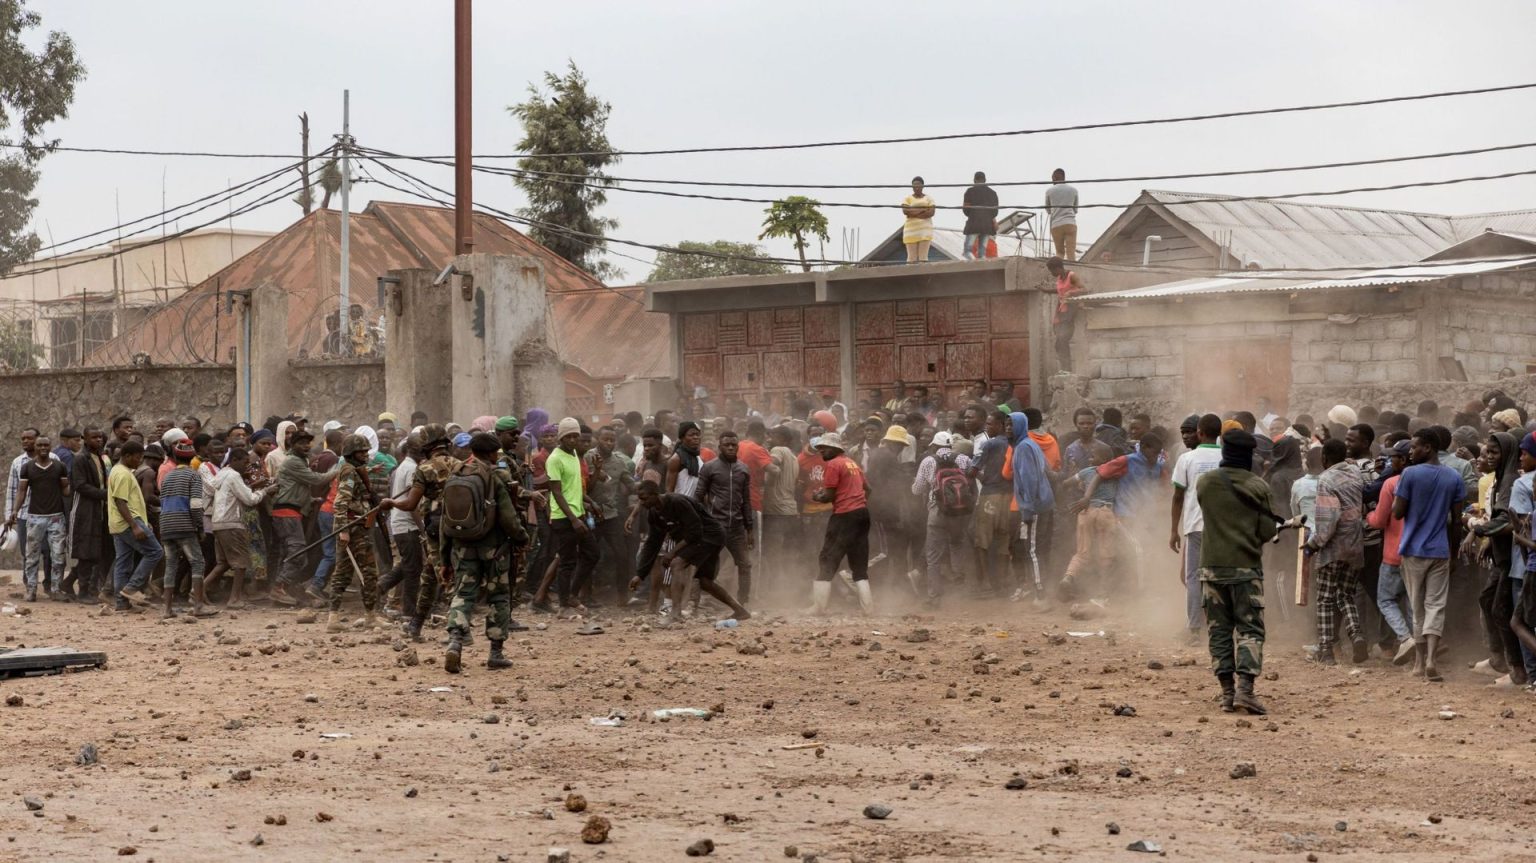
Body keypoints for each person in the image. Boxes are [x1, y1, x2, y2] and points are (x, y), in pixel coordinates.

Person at [1195, 429, 1282, 715]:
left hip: (1211, 569)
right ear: (1249, 455)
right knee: (1249, 629)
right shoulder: (1258, 486)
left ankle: (1226, 693)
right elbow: (1269, 530)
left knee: (1219, 631)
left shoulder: (1205, 484)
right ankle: (1246, 690)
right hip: (1245, 569)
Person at [430, 433, 525, 672]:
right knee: (499, 596)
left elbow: (445, 522)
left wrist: (444, 559)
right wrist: (522, 538)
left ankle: (455, 643)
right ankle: (495, 652)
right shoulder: (497, 476)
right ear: (493, 454)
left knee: (463, 595)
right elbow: (508, 518)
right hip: (494, 549)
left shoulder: (457, 474)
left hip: (462, 547)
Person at [1392, 428, 1467, 682]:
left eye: (1414, 447)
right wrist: (1454, 554)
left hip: (1413, 549)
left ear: (1429, 448)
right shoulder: (1453, 477)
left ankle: (1419, 662)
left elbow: (1397, 513)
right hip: (1441, 550)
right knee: (1436, 605)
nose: (1410, 452)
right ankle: (1433, 660)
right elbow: (1457, 521)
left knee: (1416, 606)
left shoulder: (1409, 474)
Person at [630, 480, 751, 625]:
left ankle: (675, 613)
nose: (641, 502)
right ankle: (740, 610)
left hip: (710, 535)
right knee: (705, 581)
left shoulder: (676, 502)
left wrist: (672, 553)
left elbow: (695, 531)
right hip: (701, 538)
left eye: (644, 498)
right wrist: (640, 574)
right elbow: (652, 543)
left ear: (655, 494)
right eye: (639, 499)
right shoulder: (654, 514)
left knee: (677, 564)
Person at [382, 424, 460, 641]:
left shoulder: (425, 469)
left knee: (445, 578)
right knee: (428, 578)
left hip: (436, 530)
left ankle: (458, 632)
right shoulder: (460, 465)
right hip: (459, 527)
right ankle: (415, 625)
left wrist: (391, 502)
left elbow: (410, 504)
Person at [1305, 438, 1367, 665]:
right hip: (1355, 544)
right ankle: (1356, 634)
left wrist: (1314, 544)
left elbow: (1328, 519)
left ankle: (1326, 650)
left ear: (1324, 458)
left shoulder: (1326, 479)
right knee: (1346, 595)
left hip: (1333, 548)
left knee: (1324, 599)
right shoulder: (1355, 473)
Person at [267, 429, 342, 607]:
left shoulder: (299, 460)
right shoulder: (293, 461)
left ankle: (285, 588)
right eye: (301, 443)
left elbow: (292, 488)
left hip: (289, 510)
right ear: (292, 445)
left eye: (308, 442)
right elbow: (317, 480)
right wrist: (339, 468)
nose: (306, 446)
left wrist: (310, 499)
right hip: (287, 512)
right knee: (298, 552)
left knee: (290, 552)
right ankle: (279, 587)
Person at [808, 432, 873, 614]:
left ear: (835, 448)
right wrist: (857, 502)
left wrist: (817, 497)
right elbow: (868, 489)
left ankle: (818, 607)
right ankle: (868, 608)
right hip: (862, 514)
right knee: (859, 563)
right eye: (819, 448)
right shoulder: (852, 463)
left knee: (827, 558)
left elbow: (828, 496)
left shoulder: (833, 464)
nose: (821, 451)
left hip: (844, 516)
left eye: (824, 448)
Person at [1366, 439, 1417, 665]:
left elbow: (1378, 520)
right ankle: (1419, 644)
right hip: (1419, 552)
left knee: (1386, 599)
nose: (1389, 461)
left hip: (1394, 553)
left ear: (1404, 460)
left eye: (1393, 457)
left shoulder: (1392, 484)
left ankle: (1405, 639)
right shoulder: (1426, 480)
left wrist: (1366, 517)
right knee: (1413, 601)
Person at [325, 434, 383, 632]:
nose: (366, 454)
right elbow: (340, 502)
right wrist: (344, 531)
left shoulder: (355, 470)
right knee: (368, 573)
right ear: (352, 453)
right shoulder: (350, 472)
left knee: (343, 573)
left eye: (367, 450)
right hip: (354, 529)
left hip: (355, 527)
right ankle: (369, 617)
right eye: (361, 451)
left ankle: (335, 618)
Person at [5, 435, 69, 601]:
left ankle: (55, 589)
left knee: (58, 555)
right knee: (31, 556)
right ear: (35, 446)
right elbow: (21, 491)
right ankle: (31, 590)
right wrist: (15, 510)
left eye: (46, 445)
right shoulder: (28, 467)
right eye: (40, 445)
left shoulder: (59, 466)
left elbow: (66, 490)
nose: (43, 448)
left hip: (56, 517)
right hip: (34, 518)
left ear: (50, 446)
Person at [206, 446, 270, 610]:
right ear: (234, 460)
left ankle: (197, 590)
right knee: (241, 563)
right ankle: (234, 599)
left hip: (219, 522)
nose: (247, 466)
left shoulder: (222, 474)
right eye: (244, 462)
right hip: (232, 522)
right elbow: (249, 499)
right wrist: (265, 490)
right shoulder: (234, 476)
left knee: (223, 563)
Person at [695, 430, 755, 606]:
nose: (730, 447)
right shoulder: (709, 467)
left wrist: (749, 528)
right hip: (715, 526)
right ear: (719, 446)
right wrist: (701, 521)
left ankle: (743, 602)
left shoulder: (743, 469)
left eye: (733, 445)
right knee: (706, 564)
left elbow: (746, 501)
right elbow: (699, 496)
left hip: (736, 527)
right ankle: (698, 601)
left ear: (738, 446)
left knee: (745, 565)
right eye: (726, 444)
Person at [912, 431, 971, 606]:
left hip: (937, 511)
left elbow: (917, 489)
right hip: (960, 512)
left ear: (935, 446)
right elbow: (976, 475)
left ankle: (934, 597)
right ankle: (960, 592)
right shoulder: (963, 459)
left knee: (933, 556)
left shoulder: (929, 460)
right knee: (957, 545)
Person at [546, 417, 599, 611]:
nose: (573, 440)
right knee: (567, 561)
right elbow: (557, 492)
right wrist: (573, 519)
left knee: (592, 554)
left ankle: (572, 595)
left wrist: (591, 503)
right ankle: (563, 605)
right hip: (564, 517)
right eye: (569, 436)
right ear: (561, 438)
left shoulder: (575, 456)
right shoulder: (555, 458)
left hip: (579, 513)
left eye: (575, 436)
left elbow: (575, 488)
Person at [107, 441, 163, 611]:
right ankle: (132, 588)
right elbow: (120, 501)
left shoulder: (120, 472)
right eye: (138, 458)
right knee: (155, 551)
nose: (140, 461)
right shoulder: (122, 474)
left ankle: (121, 603)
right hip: (127, 522)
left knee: (123, 562)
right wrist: (136, 526)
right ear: (127, 456)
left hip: (120, 523)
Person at [159, 439, 212, 619]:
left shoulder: (167, 476)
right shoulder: (193, 475)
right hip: (184, 524)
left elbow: (162, 501)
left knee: (171, 564)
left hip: (166, 524)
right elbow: (196, 504)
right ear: (192, 458)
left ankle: (167, 609)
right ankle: (198, 605)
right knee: (197, 562)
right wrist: (199, 527)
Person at [586, 424, 636, 605]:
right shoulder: (588, 457)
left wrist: (645, 489)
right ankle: (586, 595)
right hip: (590, 514)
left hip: (611, 515)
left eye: (612, 440)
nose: (609, 443)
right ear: (598, 439)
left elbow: (631, 484)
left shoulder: (619, 462)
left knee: (621, 554)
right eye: (605, 439)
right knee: (589, 554)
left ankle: (622, 595)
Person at [1010, 411, 1055, 605]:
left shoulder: (1022, 448)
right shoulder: (1032, 444)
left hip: (1034, 506)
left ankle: (1041, 594)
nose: (1007, 429)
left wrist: (1027, 508)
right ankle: (1043, 589)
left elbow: (1029, 479)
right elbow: (1048, 471)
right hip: (1044, 503)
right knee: (1039, 549)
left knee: (1033, 550)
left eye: (1010, 425)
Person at [66, 427, 112, 602]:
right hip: (85, 510)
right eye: (94, 437)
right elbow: (80, 485)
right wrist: (105, 494)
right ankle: (83, 592)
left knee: (95, 551)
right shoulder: (80, 459)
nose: (98, 440)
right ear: (85, 439)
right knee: (86, 551)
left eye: (100, 437)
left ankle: (78, 585)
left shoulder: (101, 457)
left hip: (99, 508)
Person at [961, 171, 999, 260]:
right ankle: (981, 266)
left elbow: (966, 209)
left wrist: (973, 214)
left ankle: (974, 264)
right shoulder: (992, 193)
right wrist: (989, 218)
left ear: (974, 180)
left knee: (967, 251)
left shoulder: (970, 191)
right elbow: (995, 212)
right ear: (985, 180)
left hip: (974, 223)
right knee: (982, 254)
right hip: (987, 226)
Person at [1045, 168, 1079, 260]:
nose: (1052, 180)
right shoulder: (1074, 190)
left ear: (1056, 177)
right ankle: (1071, 272)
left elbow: (1048, 210)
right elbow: (1075, 210)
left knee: (1059, 253)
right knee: (1071, 253)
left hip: (1056, 225)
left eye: (1052, 178)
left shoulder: (1049, 191)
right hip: (1070, 223)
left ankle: (1059, 273)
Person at [901, 176, 936, 264]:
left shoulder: (929, 198)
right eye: (914, 185)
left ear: (922, 186)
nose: (916, 187)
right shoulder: (907, 198)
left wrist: (913, 212)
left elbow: (931, 212)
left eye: (918, 185)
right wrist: (923, 210)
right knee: (911, 258)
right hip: (911, 231)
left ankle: (923, 277)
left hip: (925, 230)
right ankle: (910, 276)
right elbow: (905, 211)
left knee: (923, 258)